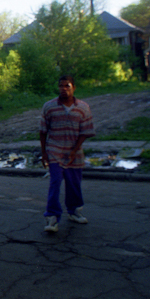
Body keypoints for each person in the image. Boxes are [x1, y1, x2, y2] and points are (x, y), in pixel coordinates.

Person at [40, 75, 96, 233]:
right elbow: (43, 131)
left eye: (67, 86)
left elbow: (85, 132)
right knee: (55, 183)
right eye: (61, 86)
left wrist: (74, 150)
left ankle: (73, 211)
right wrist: (44, 152)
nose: (63, 89)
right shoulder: (49, 107)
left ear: (74, 87)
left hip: (74, 152)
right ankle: (52, 217)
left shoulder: (83, 107)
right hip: (55, 150)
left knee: (74, 183)